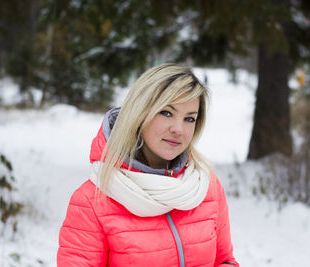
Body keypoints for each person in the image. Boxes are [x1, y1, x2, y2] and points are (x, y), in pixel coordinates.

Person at [57, 63, 239, 267]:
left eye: (189, 118)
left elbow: (224, 260)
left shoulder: (206, 188)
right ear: (140, 112)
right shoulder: (93, 200)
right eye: (167, 113)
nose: (179, 129)